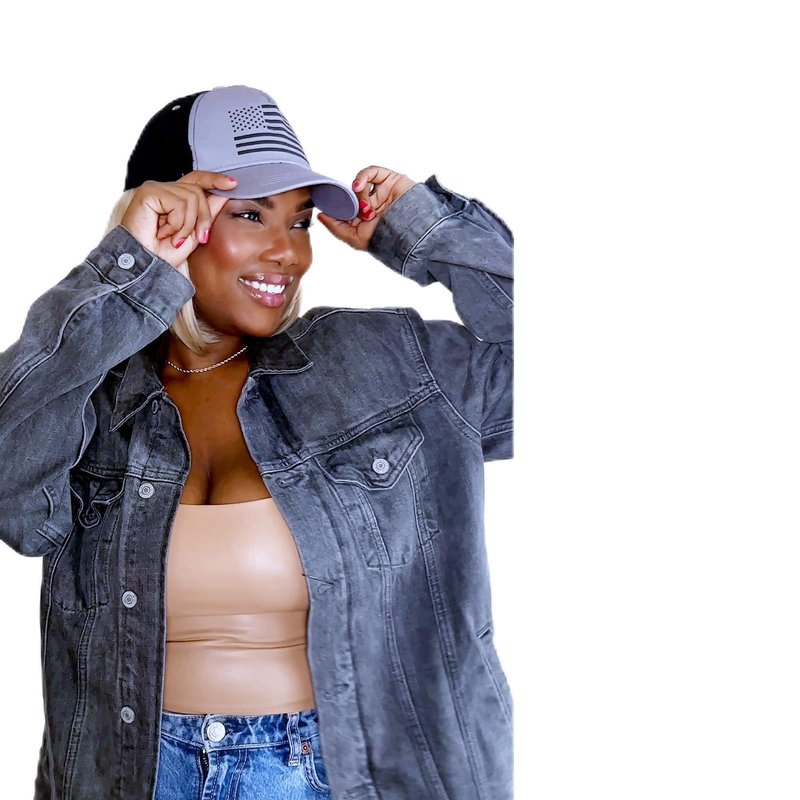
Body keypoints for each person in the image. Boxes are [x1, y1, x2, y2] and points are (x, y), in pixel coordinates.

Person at [0, 84, 513, 799]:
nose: (289, 253)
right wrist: (124, 274)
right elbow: (16, 504)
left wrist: (425, 232)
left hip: (328, 778)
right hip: (135, 776)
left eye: (299, 222)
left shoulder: (387, 365)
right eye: (251, 214)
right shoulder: (91, 394)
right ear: (165, 219)